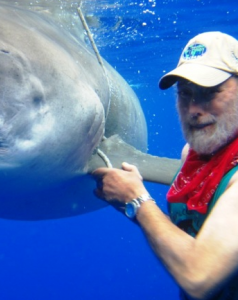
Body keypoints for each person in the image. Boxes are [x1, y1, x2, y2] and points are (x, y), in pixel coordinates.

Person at [92, 31, 238, 300]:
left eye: (210, 93)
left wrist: (137, 200)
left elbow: (198, 277)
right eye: (185, 94)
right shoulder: (193, 155)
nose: (194, 108)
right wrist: (131, 202)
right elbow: (196, 238)